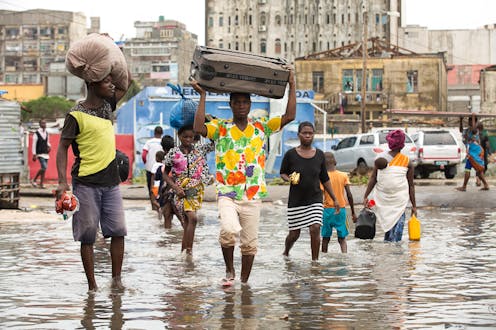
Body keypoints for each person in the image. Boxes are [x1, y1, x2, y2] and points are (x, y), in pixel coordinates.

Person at [191, 69, 296, 285]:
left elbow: (289, 116)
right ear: (230, 105)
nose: (240, 106)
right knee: (229, 230)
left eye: (244, 102)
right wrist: (203, 96)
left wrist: (292, 85)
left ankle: (244, 282)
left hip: (253, 193)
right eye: (236, 102)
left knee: (250, 244)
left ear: (250, 106)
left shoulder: (261, 127)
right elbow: (198, 127)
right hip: (227, 192)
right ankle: (230, 271)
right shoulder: (221, 128)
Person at [56, 74, 130, 292]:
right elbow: (62, 147)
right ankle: (92, 287)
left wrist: (112, 51)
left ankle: (116, 281)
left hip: (111, 183)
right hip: (86, 183)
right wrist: (62, 182)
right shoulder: (75, 115)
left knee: (118, 231)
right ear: (91, 84)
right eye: (106, 81)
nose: (111, 85)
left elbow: (127, 81)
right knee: (87, 235)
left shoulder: (108, 106)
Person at [280, 122, 340, 261]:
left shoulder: (319, 155)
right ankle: (286, 251)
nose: (307, 135)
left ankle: (315, 262)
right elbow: (283, 172)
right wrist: (288, 178)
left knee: (315, 228)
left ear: (313, 135)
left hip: (315, 198)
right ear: (299, 135)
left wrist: (335, 198)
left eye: (310, 133)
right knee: (294, 234)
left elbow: (324, 178)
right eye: (304, 133)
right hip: (296, 200)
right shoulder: (291, 154)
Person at [163, 124, 214, 255]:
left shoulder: (199, 150)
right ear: (179, 136)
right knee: (193, 218)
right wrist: (175, 187)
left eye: (191, 137)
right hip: (180, 191)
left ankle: (184, 253)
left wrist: (208, 124)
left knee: (187, 222)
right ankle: (189, 252)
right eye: (185, 136)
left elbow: (215, 143)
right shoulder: (173, 153)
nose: (188, 139)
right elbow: (165, 173)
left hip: (196, 191)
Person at [363, 129, 417, 242]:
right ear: (402, 145)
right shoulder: (407, 161)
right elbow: (411, 185)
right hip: (399, 202)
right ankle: (394, 256)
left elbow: (373, 179)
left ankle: (389, 255)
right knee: (396, 237)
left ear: (389, 143)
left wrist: (366, 196)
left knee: (388, 233)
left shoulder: (380, 159)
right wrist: (414, 206)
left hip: (384, 200)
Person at [321, 152, 356, 253]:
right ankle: (344, 256)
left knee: (325, 239)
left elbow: (319, 197)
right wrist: (353, 212)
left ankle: (322, 259)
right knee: (342, 239)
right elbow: (349, 195)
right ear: (335, 162)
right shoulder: (343, 175)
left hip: (326, 211)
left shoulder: (322, 178)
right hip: (341, 210)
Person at [456, 113, 489, 191]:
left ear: (475, 122)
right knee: (478, 170)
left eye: (472, 121)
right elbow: (461, 130)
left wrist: (473, 117)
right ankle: (486, 185)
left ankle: (464, 187)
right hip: (472, 152)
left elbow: (474, 129)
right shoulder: (467, 130)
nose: (470, 122)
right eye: (469, 121)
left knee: (472, 169)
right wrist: (461, 120)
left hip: (476, 153)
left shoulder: (475, 130)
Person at [142, 126, 164, 209]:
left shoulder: (149, 142)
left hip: (150, 168)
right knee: (161, 188)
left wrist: (146, 163)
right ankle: (161, 205)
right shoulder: (163, 142)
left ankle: (153, 206)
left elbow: (144, 155)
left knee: (152, 189)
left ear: (154, 133)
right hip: (163, 169)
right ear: (162, 133)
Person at [158, 135, 177, 228]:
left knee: (167, 217)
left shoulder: (167, 159)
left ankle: (168, 240)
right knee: (182, 218)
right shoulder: (178, 155)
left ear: (163, 147)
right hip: (176, 191)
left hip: (170, 192)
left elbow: (168, 176)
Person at [31, 119, 51, 189]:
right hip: (39, 153)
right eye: (42, 123)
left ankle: (41, 184)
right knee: (44, 167)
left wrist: (49, 146)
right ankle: (34, 180)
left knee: (44, 169)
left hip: (45, 153)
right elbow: (34, 144)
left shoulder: (47, 133)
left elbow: (48, 142)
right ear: (39, 124)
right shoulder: (36, 133)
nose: (44, 124)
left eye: (45, 123)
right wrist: (34, 154)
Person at [150, 150, 166, 215]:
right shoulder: (164, 165)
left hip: (156, 185)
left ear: (157, 158)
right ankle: (161, 210)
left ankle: (159, 208)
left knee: (153, 200)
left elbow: (153, 176)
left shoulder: (155, 165)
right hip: (162, 185)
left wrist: (151, 186)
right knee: (160, 199)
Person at [476, 121, 490, 187]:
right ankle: (479, 179)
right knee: (484, 167)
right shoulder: (485, 135)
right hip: (483, 154)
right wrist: (489, 152)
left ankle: (478, 179)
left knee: (479, 167)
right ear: (482, 127)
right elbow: (487, 145)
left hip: (477, 154)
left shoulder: (475, 135)